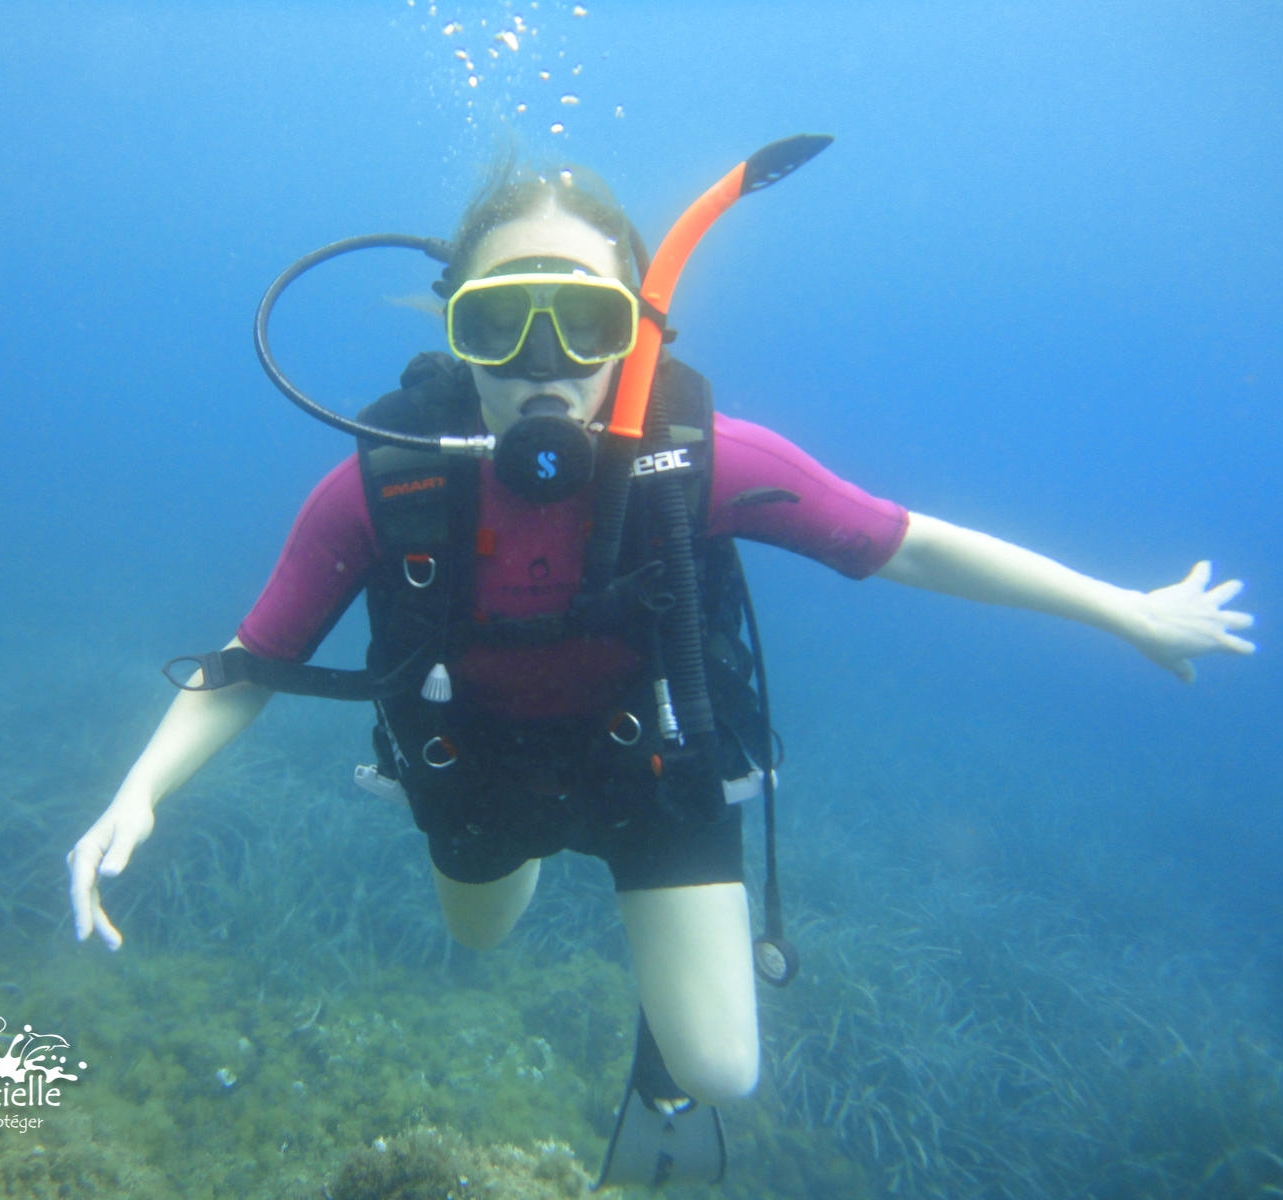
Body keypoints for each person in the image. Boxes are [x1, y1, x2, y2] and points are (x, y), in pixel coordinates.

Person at [67, 156, 1254, 1184]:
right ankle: (537, 857)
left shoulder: (702, 462)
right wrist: (140, 787)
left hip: (653, 762)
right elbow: (252, 660)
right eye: (498, 322)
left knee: (722, 1069)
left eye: (584, 323)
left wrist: (1124, 611)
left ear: (639, 331)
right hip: (476, 764)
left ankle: (661, 1060)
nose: (541, 363)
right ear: (454, 332)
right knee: (481, 938)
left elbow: (904, 543)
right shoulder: (385, 486)